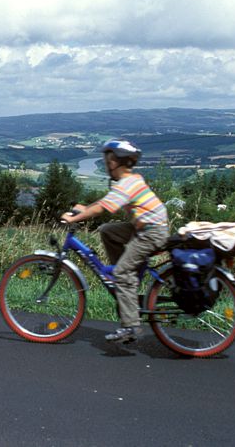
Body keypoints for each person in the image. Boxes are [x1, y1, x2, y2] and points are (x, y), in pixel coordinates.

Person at [61, 139, 169, 343]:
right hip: (145, 227)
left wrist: (74, 218)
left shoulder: (128, 183)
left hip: (151, 233)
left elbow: (103, 208)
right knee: (108, 230)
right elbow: (105, 202)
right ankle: (125, 278)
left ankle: (131, 326)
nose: (106, 163)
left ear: (115, 161)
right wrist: (84, 209)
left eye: (107, 159)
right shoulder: (129, 181)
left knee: (122, 272)